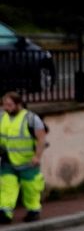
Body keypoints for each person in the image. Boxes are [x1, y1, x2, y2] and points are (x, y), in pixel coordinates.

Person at [0, 91, 47, 223]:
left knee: (31, 188)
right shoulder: (2, 118)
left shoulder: (31, 119)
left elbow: (41, 139)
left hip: (28, 162)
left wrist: (37, 157)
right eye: (4, 105)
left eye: (9, 105)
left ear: (18, 104)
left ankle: (33, 211)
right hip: (7, 160)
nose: (6, 108)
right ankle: (5, 212)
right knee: (6, 187)